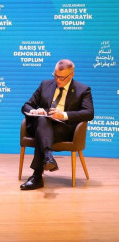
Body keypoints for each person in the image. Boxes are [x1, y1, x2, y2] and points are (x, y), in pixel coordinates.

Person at [20, 59, 94, 190]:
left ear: (71, 75)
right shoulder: (45, 84)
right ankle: (48, 157)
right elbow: (27, 105)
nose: (57, 80)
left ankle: (37, 177)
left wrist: (63, 115)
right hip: (40, 126)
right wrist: (34, 111)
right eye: (55, 75)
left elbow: (89, 113)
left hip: (63, 129)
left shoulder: (83, 90)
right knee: (43, 121)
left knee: (42, 134)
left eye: (62, 77)